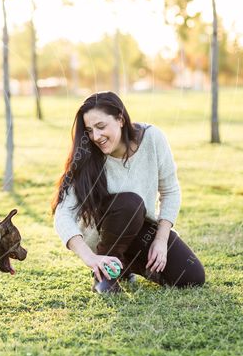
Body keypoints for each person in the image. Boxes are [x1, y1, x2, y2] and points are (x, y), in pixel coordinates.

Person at [52, 91, 205, 293]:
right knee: (129, 204)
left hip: (142, 228)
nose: (95, 137)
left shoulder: (153, 138)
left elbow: (170, 191)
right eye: (89, 130)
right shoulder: (87, 156)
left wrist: (160, 240)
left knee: (192, 276)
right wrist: (90, 258)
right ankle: (105, 275)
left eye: (101, 126)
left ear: (120, 119)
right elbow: (62, 213)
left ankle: (124, 265)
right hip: (104, 234)